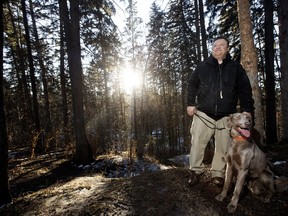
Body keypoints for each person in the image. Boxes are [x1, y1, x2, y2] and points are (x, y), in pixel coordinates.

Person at [186, 36, 254, 186]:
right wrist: (190, 104)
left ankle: (218, 174)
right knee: (197, 143)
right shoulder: (202, 66)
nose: (217, 47)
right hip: (203, 113)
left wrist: (246, 109)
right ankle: (194, 171)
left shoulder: (235, 67)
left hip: (226, 116)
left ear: (227, 49)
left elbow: (245, 90)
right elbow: (192, 85)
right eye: (215, 45)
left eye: (221, 45)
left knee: (223, 146)